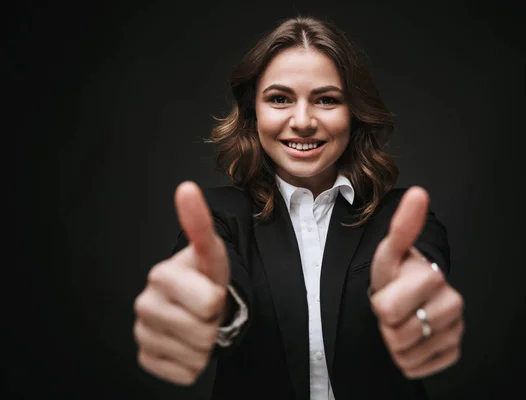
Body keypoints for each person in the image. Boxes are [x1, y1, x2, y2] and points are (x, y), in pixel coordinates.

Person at [133, 15, 465, 400]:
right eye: (279, 99)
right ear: (253, 111)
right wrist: (204, 308)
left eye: (326, 100)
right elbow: (216, 286)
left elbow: (421, 271)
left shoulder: (404, 216)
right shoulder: (217, 217)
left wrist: (416, 299)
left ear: (354, 112)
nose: (303, 122)